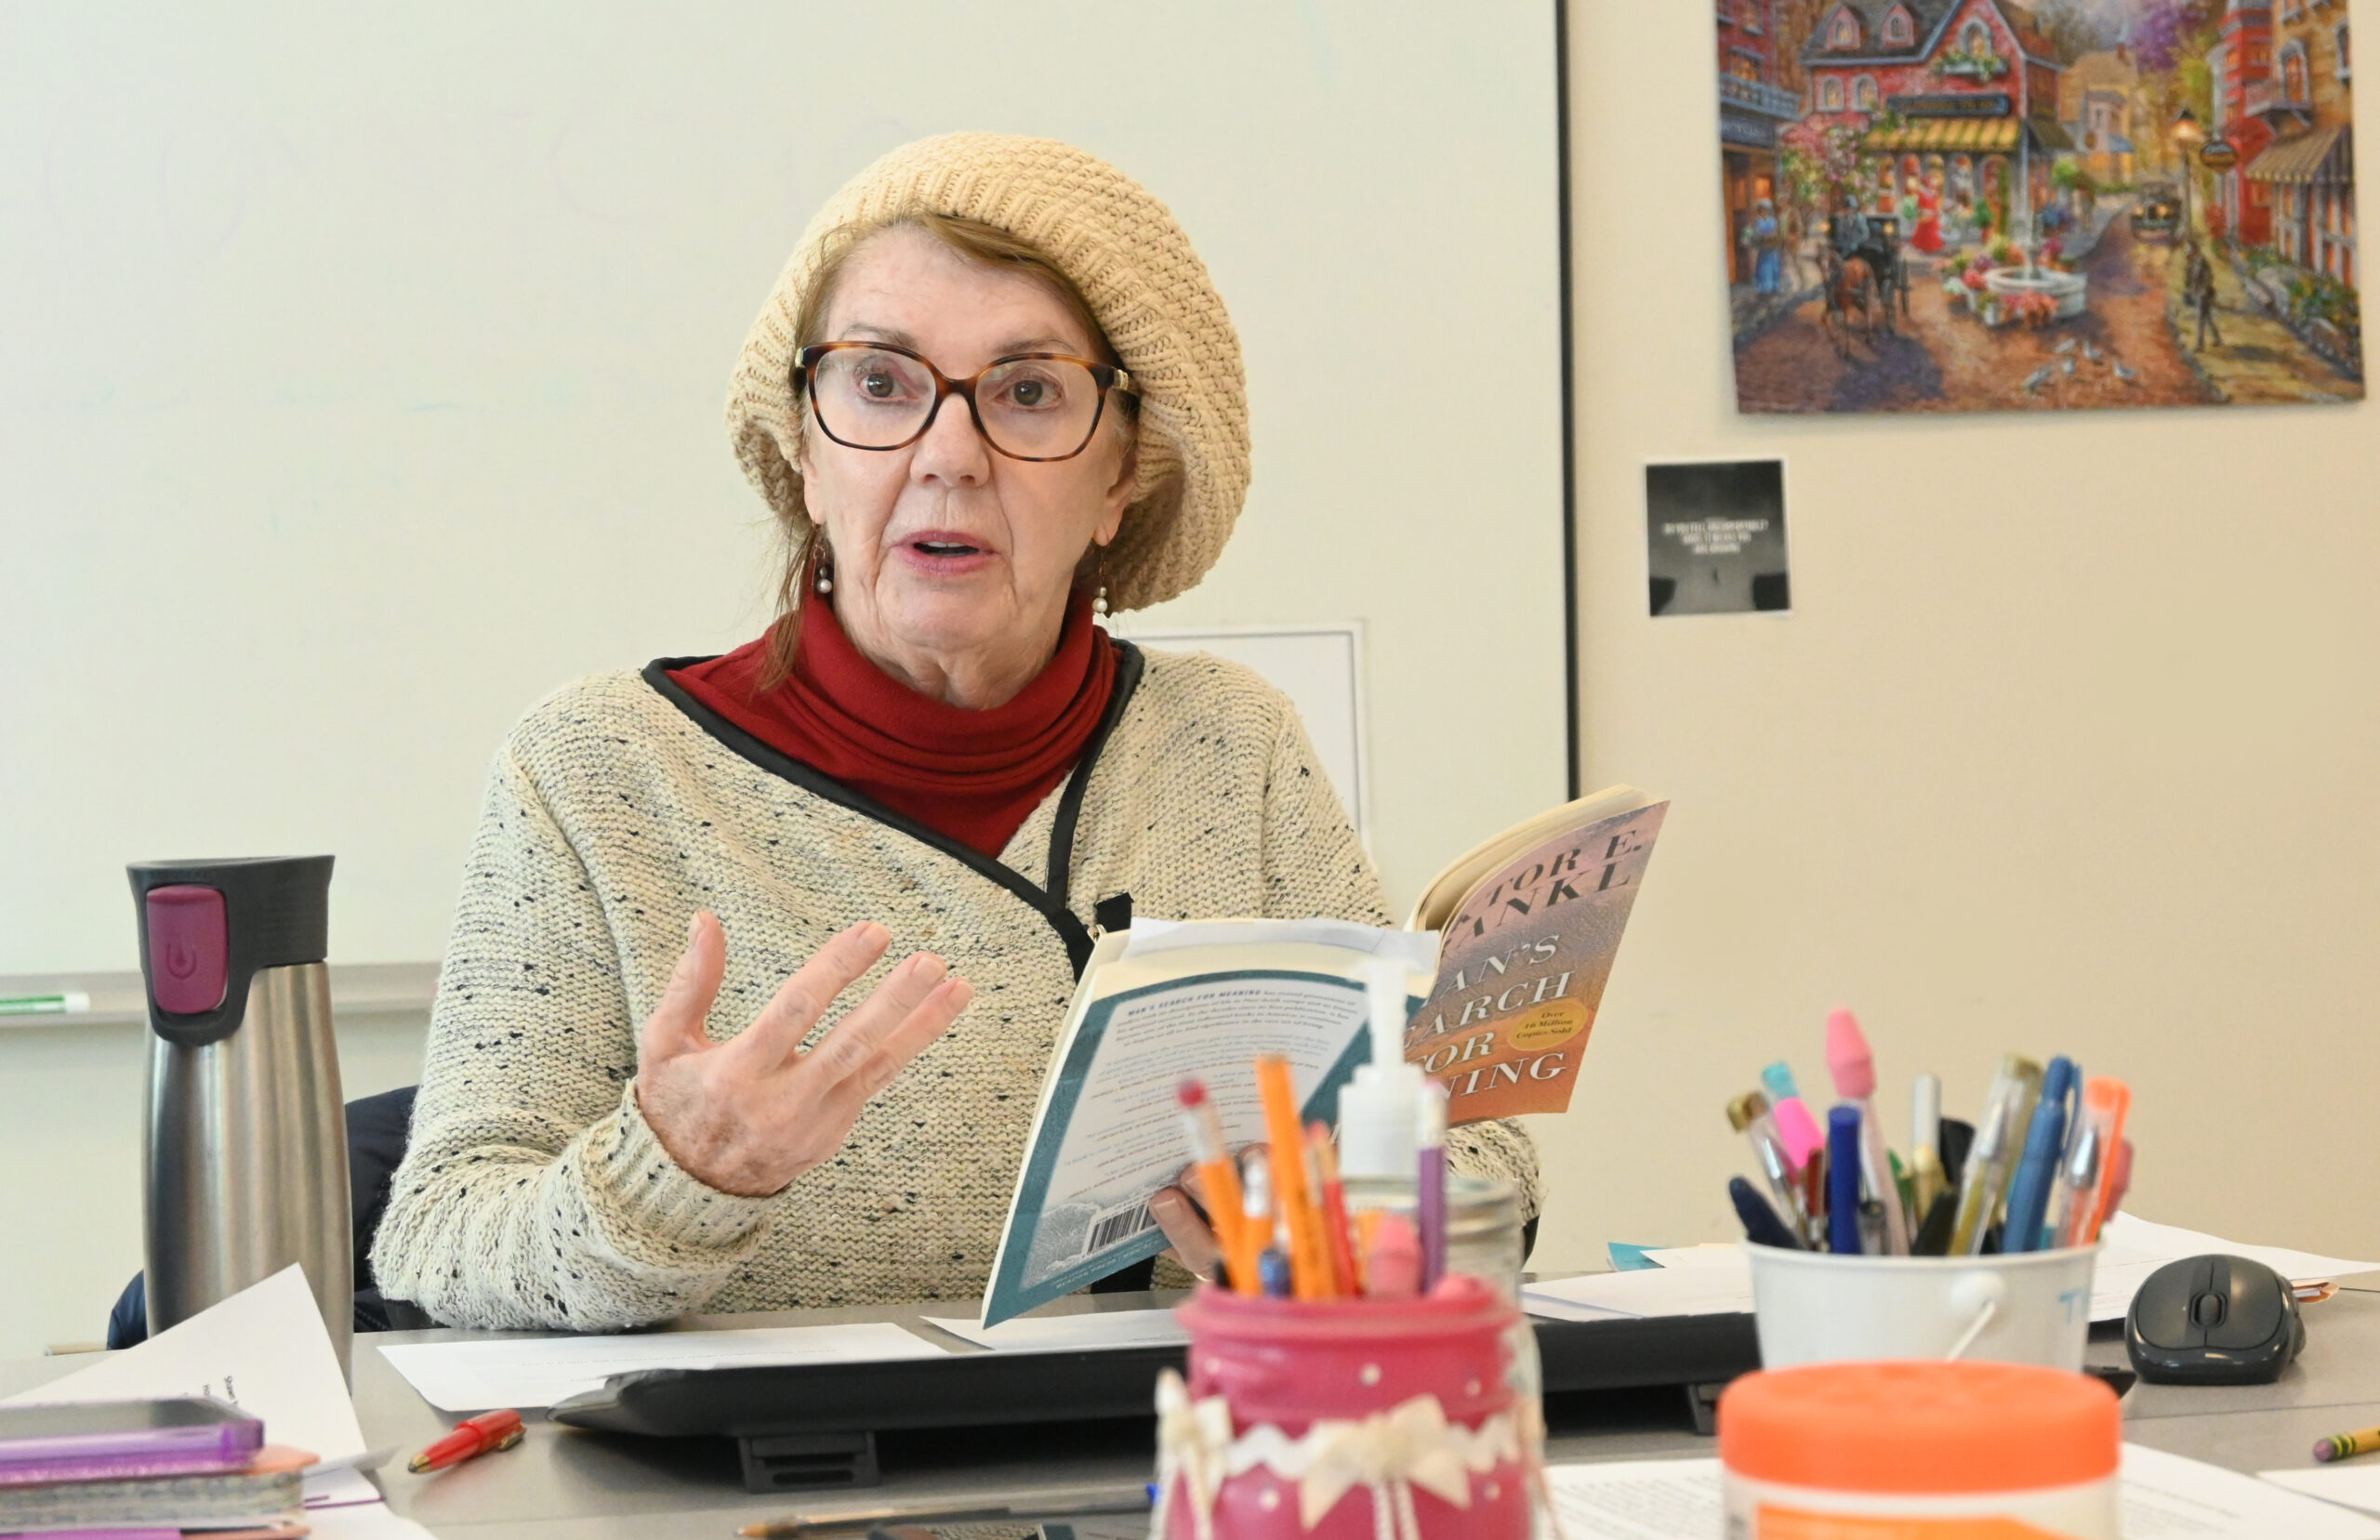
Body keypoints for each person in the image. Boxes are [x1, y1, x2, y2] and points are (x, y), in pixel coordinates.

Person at [369, 133, 1542, 1332]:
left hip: (1163, 1471)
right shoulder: (596, 769)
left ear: (1122, 476)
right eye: (880, 384)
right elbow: (443, 1238)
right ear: (805, 449)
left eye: (1029, 393)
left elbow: (1479, 1158)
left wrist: (1367, 1222)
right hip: (751, 1497)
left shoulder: (1227, 745)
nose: (946, 456)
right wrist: (679, 1170)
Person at [2186, 243, 2224, 350]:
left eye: (2191, 252)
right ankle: (2217, 339)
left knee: (2200, 320)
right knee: (2207, 317)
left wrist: (2203, 290)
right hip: (2199, 294)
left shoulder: (2202, 262)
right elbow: (2192, 279)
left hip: (2204, 295)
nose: (2190, 255)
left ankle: (2200, 345)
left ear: (2195, 251)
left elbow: (2208, 278)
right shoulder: (2194, 262)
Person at [1745, 198, 1783, 295]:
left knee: (1773, 266)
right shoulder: (1758, 221)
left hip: (1772, 247)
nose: (1763, 212)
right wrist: (1760, 236)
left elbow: (1775, 232)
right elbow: (1756, 233)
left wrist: (1771, 235)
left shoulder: (1773, 221)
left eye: (1765, 210)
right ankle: (1764, 287)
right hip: (1763, 248)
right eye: (1761, 210)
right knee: (1763, 266)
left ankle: (1774, 285)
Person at [1912, 172, 1945, 257]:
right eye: (1930, 184)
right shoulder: (1922, 194)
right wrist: (1929, 212)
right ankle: (1927, 248)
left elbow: (1935, 204)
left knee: (1933, 231)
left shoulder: (1932, 194)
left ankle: (1933, 247)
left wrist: (1937, 211)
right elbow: (1921, 207)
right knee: (1926, 232)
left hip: (1933, 216)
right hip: (1926, 216)